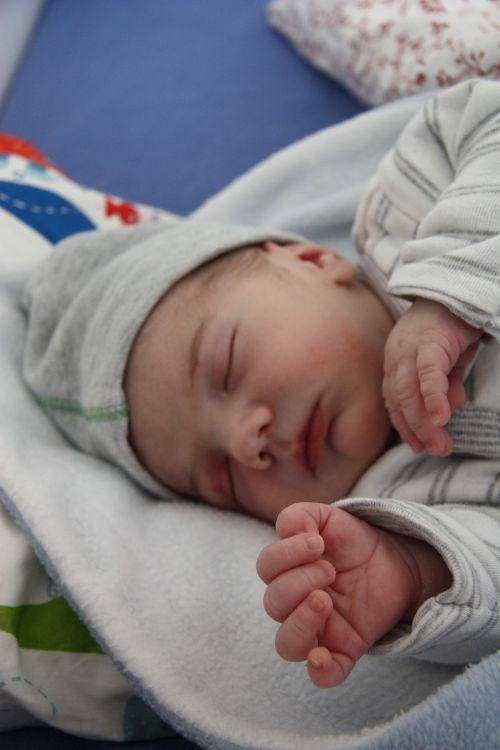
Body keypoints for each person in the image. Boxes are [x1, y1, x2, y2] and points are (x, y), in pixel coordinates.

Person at [22, 79, 500, 690]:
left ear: (310, 261)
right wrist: (416, 570)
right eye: (220, 477)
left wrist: (451, 291)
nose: (247, 442)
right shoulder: (404, 508)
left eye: (227, 367)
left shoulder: (408, 215)